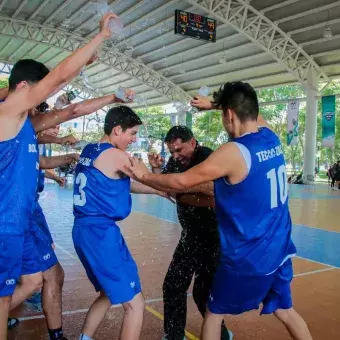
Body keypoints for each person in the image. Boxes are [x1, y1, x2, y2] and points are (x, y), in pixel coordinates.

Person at [125, 81, 313, 340]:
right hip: (279, 249)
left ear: (229, 115)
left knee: (213, 313)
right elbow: (252, 112)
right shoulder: (270, 136)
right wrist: (215, 104)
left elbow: (181, 182)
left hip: (249, 255)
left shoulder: (234, 152)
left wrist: (144, 175)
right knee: (286, 310)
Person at [0, 12, 117, 340]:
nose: (41, 102)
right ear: (23, 87)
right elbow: (58, 78)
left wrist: (111, 96)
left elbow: (70, 109)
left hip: (19, 221)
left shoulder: (24, 123)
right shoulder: (6, 113)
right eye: (37, 93)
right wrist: (101, 36)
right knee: (5, 297)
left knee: (32, 282)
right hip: (4, 223)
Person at [72, 106, 170, 340]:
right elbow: (148, 177)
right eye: (132, 133)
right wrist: (167, 185)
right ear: (117, 130)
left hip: (84, 230)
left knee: (107, 293)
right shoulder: (118, 156)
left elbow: (128, 183)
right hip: (101, 234)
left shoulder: (90, 150)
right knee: (135, 304)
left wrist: (159, 193)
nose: (134, 140)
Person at [148, 126, 232, 340]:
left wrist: (180, 186)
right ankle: (174, 336)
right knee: (173, 285)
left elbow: (214, 190)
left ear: (193, 143)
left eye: (179, 150)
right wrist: (158, 172)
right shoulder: (176, 162)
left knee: (203, 294)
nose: (176, 156)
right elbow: (166, 189)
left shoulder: (207, 157)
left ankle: (222, 335)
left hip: (213, 236)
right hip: (190, 235)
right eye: (172, 152)